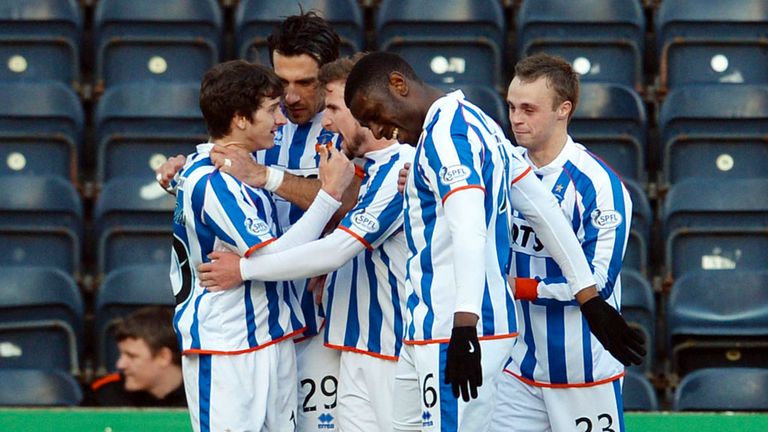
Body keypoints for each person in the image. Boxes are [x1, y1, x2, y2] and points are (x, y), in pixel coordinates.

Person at [344, 52, 644, 431]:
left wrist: (465, 324)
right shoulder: (479, 124)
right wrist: (588, 297)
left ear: (399, 85)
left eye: (373, 114)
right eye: (512, 107)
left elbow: (471, 226)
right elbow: (540, 206)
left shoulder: (448, 137)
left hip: (466, 332)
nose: (376, 131)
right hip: (479, 345)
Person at [156, 12, 355, 431]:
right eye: (282, 83)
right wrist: (178, 176)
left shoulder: (346, 127)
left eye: (307, 82)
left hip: (317, 318)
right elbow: (206, 178)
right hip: (243, 326)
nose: (291, 98)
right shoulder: (256, 124)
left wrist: (270, 178)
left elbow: (353, 202)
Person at [196, 54, 413, 432]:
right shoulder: (366, 170)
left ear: (365, 106)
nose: (325, 121)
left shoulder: (403, 169)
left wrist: (244, 269)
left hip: (394, 349)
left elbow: (335, 250)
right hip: (353, 345)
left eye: (332, 108)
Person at [490, 53, 639, 432]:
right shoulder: (497, 170)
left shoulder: (599, 186)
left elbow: (599, 284)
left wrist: (518, 288)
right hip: (517, 367)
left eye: (529, 109)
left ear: (563, 110)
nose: (516, 119)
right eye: (511, 107)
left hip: (583, 371)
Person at [86, 306, 186, 407]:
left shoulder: (199, 397)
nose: (120, 365)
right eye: (121, 354)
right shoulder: (104, 397)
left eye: (131, 356)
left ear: (163, 357)